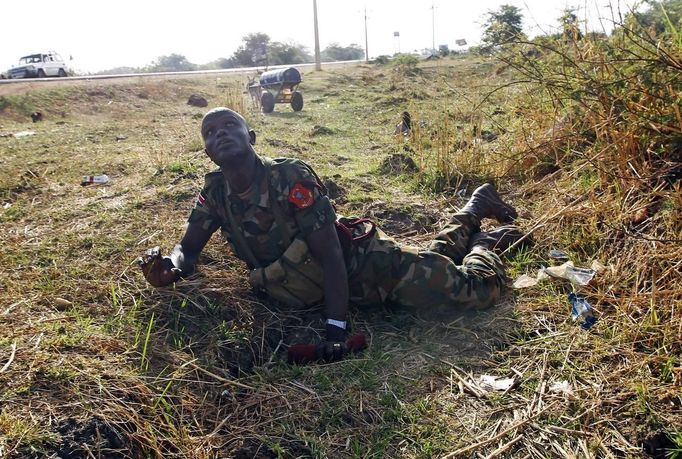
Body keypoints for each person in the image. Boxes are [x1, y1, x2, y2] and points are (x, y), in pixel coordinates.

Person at [139, 107, 527, 362]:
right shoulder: (215, 194)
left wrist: (336, 330)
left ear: (251, 136)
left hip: (369, 269)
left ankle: (483, 243)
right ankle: (475, 208)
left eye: (229, 126)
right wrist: (171, 269)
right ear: (207, 150)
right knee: (433, 257)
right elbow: (188, 249)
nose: (220, 133)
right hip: (315, 287)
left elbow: (331, 257)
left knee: (477, 292)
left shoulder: (290, 178)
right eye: (210, 132)